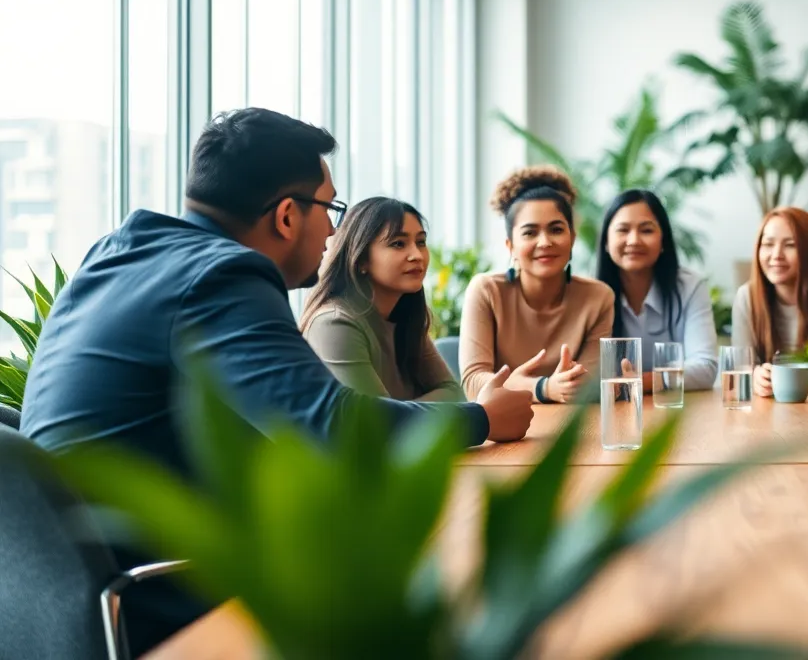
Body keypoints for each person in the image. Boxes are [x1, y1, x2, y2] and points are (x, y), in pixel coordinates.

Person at [18, 108, 533, 656]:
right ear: (287, 215)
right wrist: (481, 417)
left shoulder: (119, 253)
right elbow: (334, 424)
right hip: (156, 593)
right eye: (331, 207)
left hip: (60, 597)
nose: (335, 229)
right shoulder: (221, 275)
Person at [459, 166, 615, 402]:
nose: (545, 242)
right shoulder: (486, 291)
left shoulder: (598, 297)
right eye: (530, 233)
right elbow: (473, 384)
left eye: (556, 230)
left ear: (572, 238)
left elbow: (587, 386)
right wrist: (544, 387)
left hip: (571, 426)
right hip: (503, 429)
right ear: (510, 246)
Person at [300, 197, 464, 401]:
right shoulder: (334, 323)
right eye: (398, 244)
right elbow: (379, 424)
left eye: (420, 242)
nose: (417, 255)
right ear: (361, 259)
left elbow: (456, 395)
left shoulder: (405, 318)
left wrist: (404, 413)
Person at [595, 190, 717, 392]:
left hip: (675, 412)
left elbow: (705, 368)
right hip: (614, 411)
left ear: (663, 241)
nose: (633, 240)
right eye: (623, 230)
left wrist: (640, 382)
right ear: (606, 243)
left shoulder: (689, 287)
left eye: (646, 230)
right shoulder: (591, 294)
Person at [732, 207, 808, 399]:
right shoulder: (746, 296)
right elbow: (740, 367)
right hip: (763, 412)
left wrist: (773, 376)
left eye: (790, 245)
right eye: (768, 244)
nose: (776, 255)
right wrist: (756, 375)